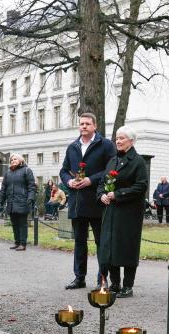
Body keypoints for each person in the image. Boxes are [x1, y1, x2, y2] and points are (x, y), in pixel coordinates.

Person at [60, 112, 115, 289]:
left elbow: (111, 169)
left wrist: (90, 180)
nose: (83, 126)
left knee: (101, 242)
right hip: (77, 202)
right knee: (79, 242)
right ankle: (79, 278)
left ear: (95, 126)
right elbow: (64, 170)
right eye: (81, 124)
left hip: (98, 201)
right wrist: (69, 181)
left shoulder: (105, 145)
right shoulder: (72, 147)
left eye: (87, 124)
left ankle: (103, 279)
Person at [97, 126, 148, 298]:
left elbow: (141, 186)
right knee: (111, 248)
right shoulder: (112, 161)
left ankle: (128, 286)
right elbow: (102, 183)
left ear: (131, 141)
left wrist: (117, 194)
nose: (118, 141)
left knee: (126, 248)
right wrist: (102, 195)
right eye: (117, 138)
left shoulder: (138, 161)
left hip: (129, 213)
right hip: (110, 212)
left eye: (122, 138)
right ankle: (115, 284)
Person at [0, 153, 36, 251]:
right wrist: (0, 199)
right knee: (14, 223)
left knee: (22, 224)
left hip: (23, 201)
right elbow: (4, 188)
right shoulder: (8, 173)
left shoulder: (27, 170)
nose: (13, 161)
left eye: (15, 159)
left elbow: (31, 186)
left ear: (20, 160)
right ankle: (17, 242)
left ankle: (23, 244)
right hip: (11, 202)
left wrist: (30, 197)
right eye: (11, 160)